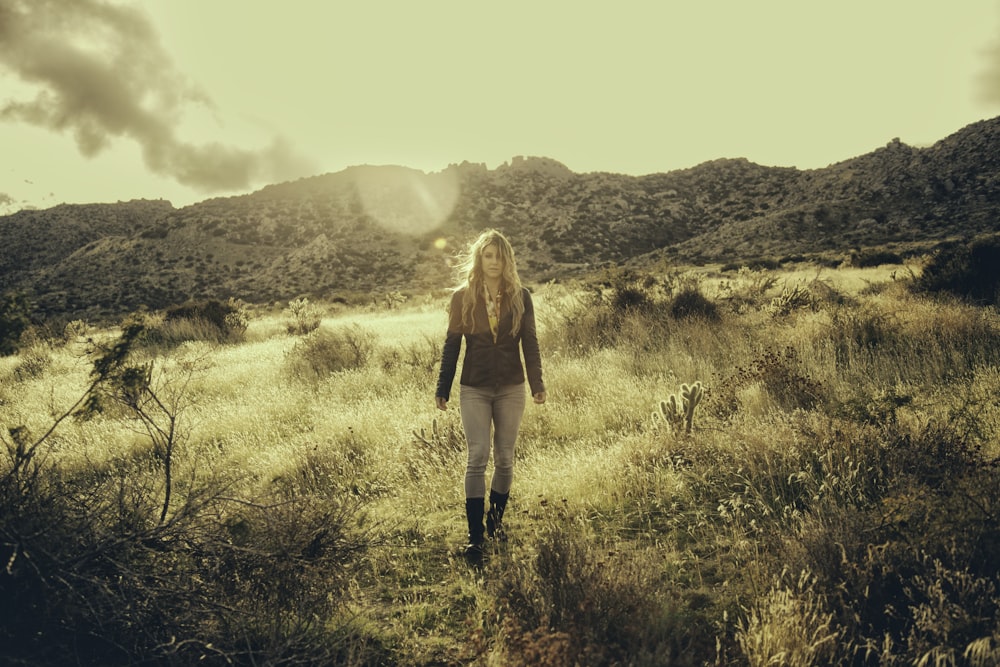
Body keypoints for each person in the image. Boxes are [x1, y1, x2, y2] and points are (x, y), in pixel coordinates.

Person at [435, 228, 546, 558]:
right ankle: (475, 537)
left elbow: (531, 342)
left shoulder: (520, 296)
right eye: (488, 255)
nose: (494, 262)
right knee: (478, 454)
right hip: (475, 387)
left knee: (505, 457)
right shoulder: (462, 297)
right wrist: (443, 387)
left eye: (499, 256)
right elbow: (452, 344)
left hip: (512, 387)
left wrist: (537, 383)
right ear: (479, 259)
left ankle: (495, 524)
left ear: (507, 259)